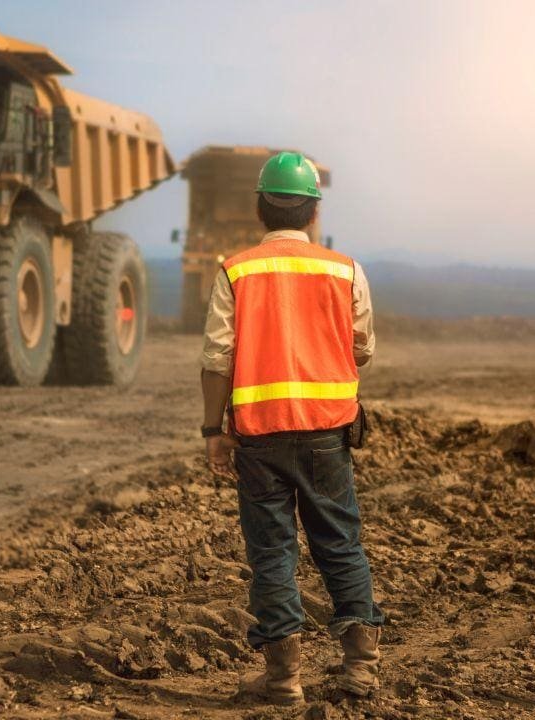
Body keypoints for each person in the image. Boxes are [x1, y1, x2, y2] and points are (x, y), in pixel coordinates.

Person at [199, 151, 384, 706]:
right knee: (341, 545)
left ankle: (282, 680)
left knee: (273, 553)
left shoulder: (237, 270)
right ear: (313, 213)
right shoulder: (345, 270)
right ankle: (361, 668)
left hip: (259, 439)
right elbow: (363, 350)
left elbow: (217, 359)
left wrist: (214, 429)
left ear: (261, 208)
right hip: (328, 435)